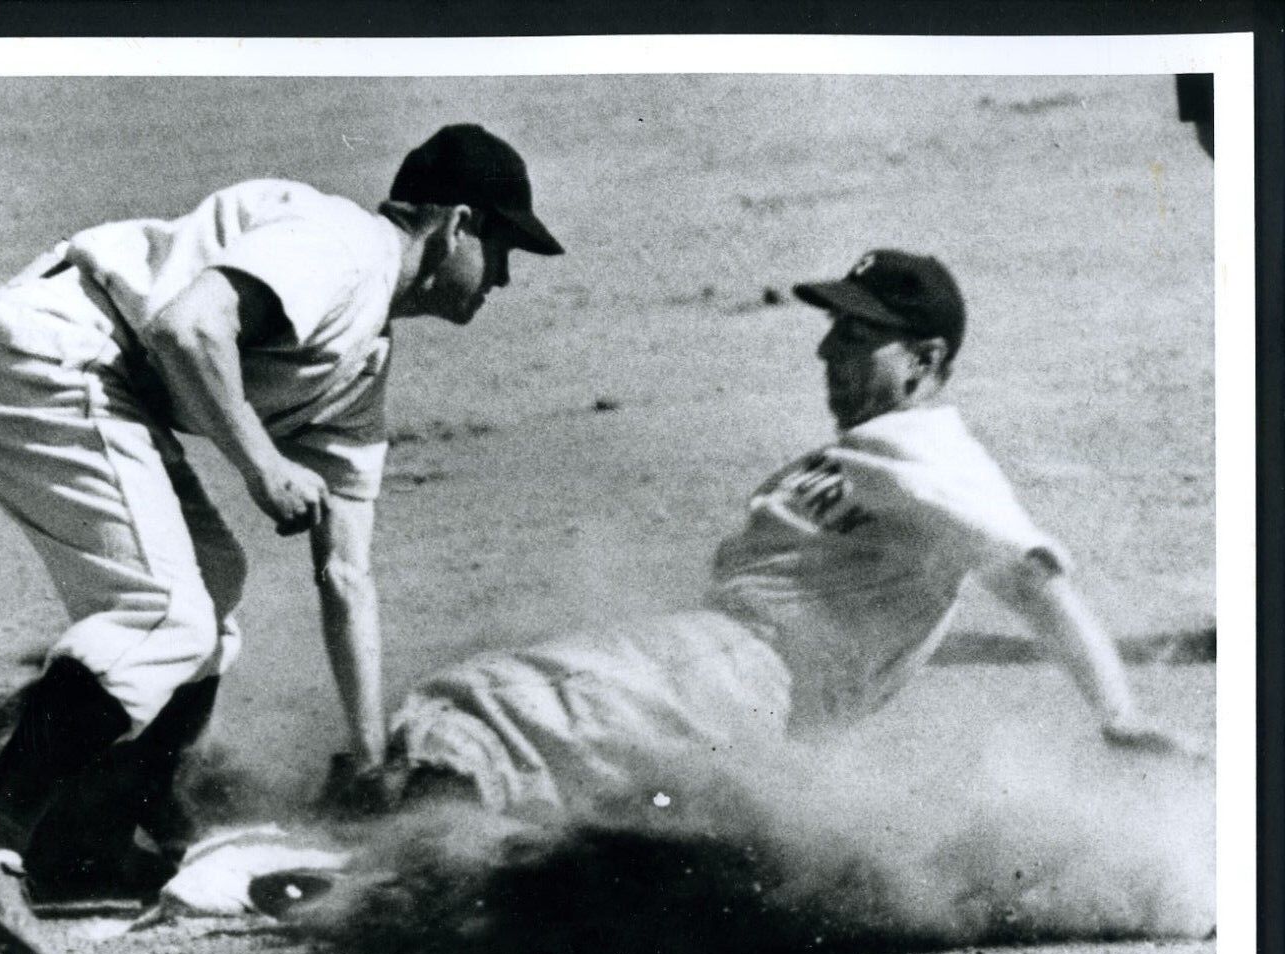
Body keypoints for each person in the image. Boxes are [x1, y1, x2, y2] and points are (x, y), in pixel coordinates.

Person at [0, 124, 563, 954]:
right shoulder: (344, 248)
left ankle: (90, 845)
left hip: (74, 378)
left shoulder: (361, 361)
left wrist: (370, 759)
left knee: (211, 600)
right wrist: (261, 464)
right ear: (454, 226)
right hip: (50, 354)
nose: (505, 278)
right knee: (164, 613)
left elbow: (347, 574)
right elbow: (191, 326)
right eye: (504, 248)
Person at [322, 248, 1189, 826]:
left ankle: (385, 853)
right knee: (513, 727)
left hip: (735, 673)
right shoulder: (877, 452)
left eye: (858, 337)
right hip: (729, 681)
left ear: (923, 360)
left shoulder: (926, 453)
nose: (828, 352)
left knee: (484, 708)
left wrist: (1119, 715)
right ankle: (434, 853)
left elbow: (1034, 575)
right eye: (832, 331)